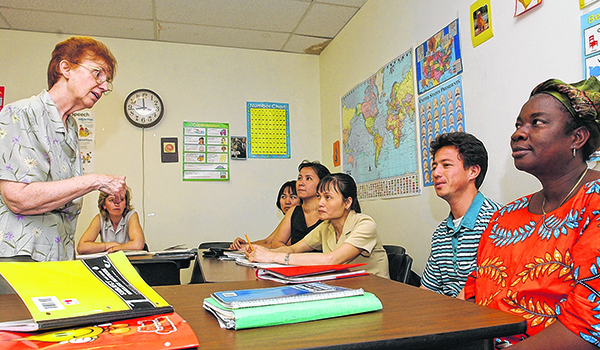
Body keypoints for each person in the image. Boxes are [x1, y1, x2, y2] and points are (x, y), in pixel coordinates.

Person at [462, 76, 600, 349]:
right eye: (518, 124)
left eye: (537, 123)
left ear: (577, 137)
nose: (518, 134)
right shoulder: (506, 215)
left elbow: (589, 325)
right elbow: (472, 292)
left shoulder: (594, 205)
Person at [0, 36, 127, 262]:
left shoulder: (70, 127)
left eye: (107, 81)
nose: (105, 86)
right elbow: (18, 199)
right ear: (65, 68)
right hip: (20, 257)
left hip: (56, 257)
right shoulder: (20, 113)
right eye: (97, 73)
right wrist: (95, 181)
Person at [246, 173, 389, 278]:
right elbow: (294, 248)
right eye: (319, 196)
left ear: (347, 202)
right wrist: (260, 251)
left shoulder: (365, 224)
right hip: (343, 288)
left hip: (374, 291)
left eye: (328, 197)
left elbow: (332, 260)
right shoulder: (326, 226)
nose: (320, 203)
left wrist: (272, 257)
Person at [420, 132, 500, 297]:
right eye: (434, 166)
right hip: (447, 316)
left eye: (446, 165)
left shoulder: (498, 222)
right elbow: (427, 291)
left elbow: (490, 287)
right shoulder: (441, 233)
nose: (435, 173)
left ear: (473, 171)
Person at [230, 160, 330, 249]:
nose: (301, 183)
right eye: (299, 178)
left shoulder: (329, 212)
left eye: (308, 179)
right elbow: (275, 243)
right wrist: (245, 246)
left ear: (322, 184)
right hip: (293, 265)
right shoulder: (293, 211)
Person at [77, 188, 145, 254]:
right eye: (111, 200)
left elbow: (138, 244)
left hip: (130, 261)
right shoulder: (99, 218)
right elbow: (81, 247)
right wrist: (108, 245)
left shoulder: (131, 216)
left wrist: (117, 248)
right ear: (104, 205)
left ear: (125, 204)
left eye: (121, 199)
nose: (117, 204)